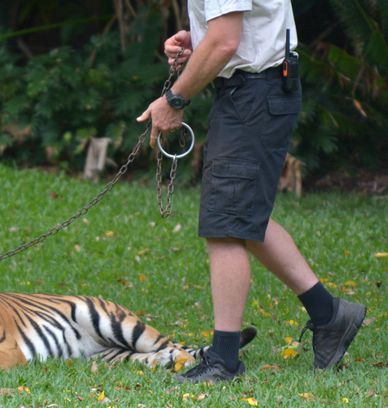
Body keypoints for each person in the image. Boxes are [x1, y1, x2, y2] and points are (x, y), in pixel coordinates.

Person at [137, 0, 366, 383]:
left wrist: (174, 99)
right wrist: (198, 41)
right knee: (240, 214)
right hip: (253, 90)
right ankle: (330, 315)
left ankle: (224, 360)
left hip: (255, 94)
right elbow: (231, 33)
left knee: (226, 224)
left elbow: (226, 42)